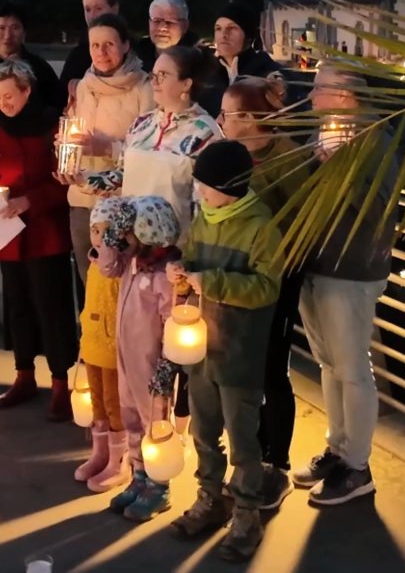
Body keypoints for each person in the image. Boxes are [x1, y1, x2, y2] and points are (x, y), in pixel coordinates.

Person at [166, 140, 282, 561]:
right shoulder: (204, 219)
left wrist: (210, 282)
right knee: (203, 430)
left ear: (228, 187)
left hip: (240, 350)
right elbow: (193, 265)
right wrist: (180, 275)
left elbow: (267, 288)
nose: (199, 192)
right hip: (202, 346)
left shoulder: (260, 227)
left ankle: (247, 513)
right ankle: (210, 498)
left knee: (242, 439)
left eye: (205, 186)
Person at [293, 67, 395, 506]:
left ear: (346, 95)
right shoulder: (324, 133)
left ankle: (358, 466)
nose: (312, 94)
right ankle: (337, 449)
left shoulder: (375, 141)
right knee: (329, 364)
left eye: (320, 87)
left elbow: (380, 211)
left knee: (353, 369)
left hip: (351, 271)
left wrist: (342, 172)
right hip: (317, 263)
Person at [220, 75, 310, 507]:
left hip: (277, 277)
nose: (220, 120)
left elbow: (305, 223)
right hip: (239, 278)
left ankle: (278, 463)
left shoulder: (287, 157)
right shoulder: (232, 154)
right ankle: (250, 456)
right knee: (244, 367)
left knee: (273, 367)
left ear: (254, 119)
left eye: (229, 114)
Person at [0, 59, 77, 419]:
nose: (3, 103)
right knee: (16, 307)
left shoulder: (51, 124)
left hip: (44, 232)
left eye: (9, 96)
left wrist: (28, 200)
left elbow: (65, 178)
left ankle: (62, 382)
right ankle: (23, 375)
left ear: (27, 91)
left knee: (52, 308)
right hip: (6, 231)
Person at [81, 43, 222, 240]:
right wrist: (85, 178)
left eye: (162, 75)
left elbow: (206, 202)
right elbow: (124, 172)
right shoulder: (142, 124)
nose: (154, 82)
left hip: (176, 247)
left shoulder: (205, 132)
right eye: (153, 74)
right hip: (131, 242)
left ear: (186, 84)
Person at [98, 195, 182, 522]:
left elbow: (171, 322)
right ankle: (139, 476)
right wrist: (112, 236)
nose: (123, 240)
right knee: (130, 416)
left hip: (151, 367)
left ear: (146, 236)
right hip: (126, 359)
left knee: (155, 424)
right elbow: (106, 265)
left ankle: (159, 485)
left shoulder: (165, 275)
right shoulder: (130, 263)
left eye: (128, 234)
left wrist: (166, 368)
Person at [61, 13, 154, 300]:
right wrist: (65, 152)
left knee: (121, 283)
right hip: (81, 198)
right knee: (89, 279)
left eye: (109, 44)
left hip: (120, 201)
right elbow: (76, 133)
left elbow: (149, 151)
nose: (101, 52)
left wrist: (109, 148)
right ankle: (93, 340)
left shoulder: (144, 88)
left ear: (126, 45)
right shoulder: (85, 85)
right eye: (94, 45)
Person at [73, 197, 131, 492]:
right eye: (95, 230)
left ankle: (119, 460)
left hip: (111, 344)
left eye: (106, 231)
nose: (98, 237)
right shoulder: (94, 263)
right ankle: (100, 452)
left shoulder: (121, 268)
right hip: (92, 340)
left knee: (113, 401)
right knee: (97, 400)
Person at [60, 0, 157, 100]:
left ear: (115, 8)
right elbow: (61, 100)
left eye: (98, 8)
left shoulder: (138, 51)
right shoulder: (77, 56)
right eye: (88, 9)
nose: (92, 15)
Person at [0, 0, 63, 121]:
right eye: (2, 28)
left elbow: (55, 106)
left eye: (15, 28)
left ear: (24, 32)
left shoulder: (39, 68)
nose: (8, 35)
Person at [149, 0, 224, 114]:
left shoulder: (200, 62)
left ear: (185, 26)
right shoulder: (137, 57)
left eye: (170, 22)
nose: (162, 27)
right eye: (156, 21)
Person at [212, 2, 282, 81]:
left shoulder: (267, 74)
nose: (223, 34)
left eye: (231, 28)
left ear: (248, 36)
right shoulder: (208, 74)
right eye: (218, 29)